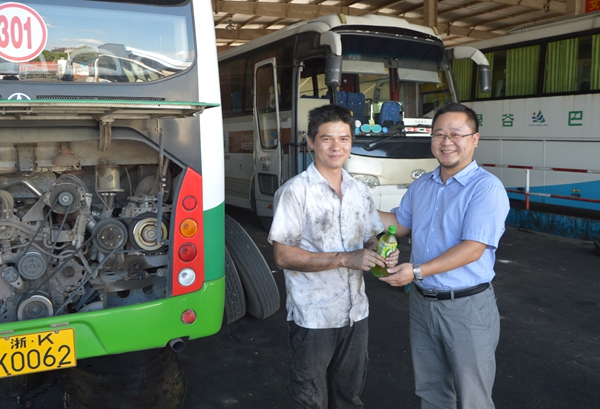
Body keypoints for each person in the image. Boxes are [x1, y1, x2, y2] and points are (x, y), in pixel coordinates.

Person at [378, 103, 510, 409]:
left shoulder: (486, 188)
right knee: (432, 391)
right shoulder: (423, 185)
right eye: (439, 134)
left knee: (473, 398)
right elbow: (400, 224)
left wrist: (416, 271)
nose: (446, 141)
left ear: (474, 139)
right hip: (422, 304)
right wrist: (355, 205)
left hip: (466, 306)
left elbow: (473, 248)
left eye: (456, 134)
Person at [268, 104, 398, 409]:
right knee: (310, 397)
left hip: (356, 313)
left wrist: (382, 251)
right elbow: (283, 256)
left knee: (348, 394)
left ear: (351, 144)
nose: (336, 146)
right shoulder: (295, 192)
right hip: (314, 316)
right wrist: (345, 258)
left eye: (344, 139)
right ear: (311, 142)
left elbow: (372, 237)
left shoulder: (359, 191)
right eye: (327, 139)